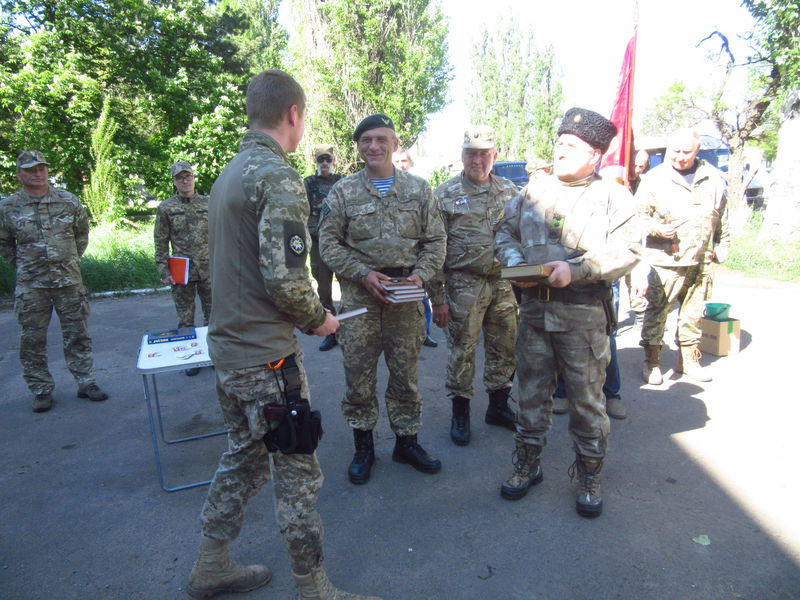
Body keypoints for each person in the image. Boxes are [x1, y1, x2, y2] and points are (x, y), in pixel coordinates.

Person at [187, 70, 379, 600]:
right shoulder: (276, 176)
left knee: (244, 457)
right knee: (298, 474)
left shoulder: (230, 173)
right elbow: (287, 279)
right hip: (267, 359)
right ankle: (312, 586)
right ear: (294, 113)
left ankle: (210, 564)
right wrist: (321, 320)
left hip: (229, 348)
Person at [494, 108, 641, 518]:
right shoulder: (532, 192)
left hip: (583, 318)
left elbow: (628, 249)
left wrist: (575, 270)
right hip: (535, 314)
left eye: (571, 145)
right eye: (559, 142)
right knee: (530, 396)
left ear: (595, 154)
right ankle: (528, 464)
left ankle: (590, 475)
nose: (560, 150)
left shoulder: (613, 196)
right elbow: (504, 231)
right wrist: (514, 263)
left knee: (586, 403)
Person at [319, 114, 446, 485]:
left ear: (394, 143)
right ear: (358, 147)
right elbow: (327, 243)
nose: (373, 147)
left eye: (381, 140)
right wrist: (362, 273)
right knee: (358, 376)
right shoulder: (343, 192)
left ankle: (407, 442)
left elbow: (436, 241)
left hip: (405, 297)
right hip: (361, 299)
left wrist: (421, 275)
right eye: (366, 141)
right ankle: (364, 447)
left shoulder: (420, 190)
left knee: (405, 375)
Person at [428, 125, 519, 446]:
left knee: (504, 346)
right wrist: (436, 298)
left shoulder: (510, 192)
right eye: (471, 153)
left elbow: (524, 238)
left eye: (484, 154)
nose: (477, 160)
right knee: (462, 350)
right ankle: (460, 414)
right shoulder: (444, 195)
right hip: (462, 285)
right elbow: (433, 249)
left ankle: (498, 406)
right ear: (462, 155)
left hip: (504, 285)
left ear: (495, 156)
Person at [0, 150, 108, 413]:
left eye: (42, 168)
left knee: (78, 335)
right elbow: (4, 243)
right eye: (31, 170)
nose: (38, 174)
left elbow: (81, 235)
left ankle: (86, 381)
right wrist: (26, 266)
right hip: (32, 286)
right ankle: (41, 390)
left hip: (69, 282)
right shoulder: (8, 206)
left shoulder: (68, 201)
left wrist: (68, 260)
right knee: (32, 340)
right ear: (20, 174)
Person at [637, 128, 729, 385]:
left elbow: (722, 215)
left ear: (697, 150)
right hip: (667, 260)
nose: (679, 157)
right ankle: (652, 362)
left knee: (693, 313)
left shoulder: (713, 177)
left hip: (701, 258)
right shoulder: (654, 179)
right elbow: (635, 219)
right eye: (674, 151)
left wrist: (723, 244)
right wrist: (655, 228)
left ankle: (689, 360)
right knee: (657, 313)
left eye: (685, 152)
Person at [154, 161, 212, 376]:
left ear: (194, 178)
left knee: (212, 316)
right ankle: (190, 357)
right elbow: (160, 241)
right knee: (186, 318)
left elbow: (220, 235)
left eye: (188, 176)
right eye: (180, 178)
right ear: (174, 182)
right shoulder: (167, 208)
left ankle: (210, 353)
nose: (185, 180)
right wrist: (164, 270)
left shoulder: (208, 203)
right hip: (182, 269)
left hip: (208, 267)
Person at [392, 147, 438, 348]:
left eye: (404, 161)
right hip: (393, 265)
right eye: (397, 161)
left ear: (410, 163)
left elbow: (433, 233)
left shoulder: (420, 189)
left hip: (418, 264)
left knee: (422, 300)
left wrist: (423, 268)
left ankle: (425, 333)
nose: (401, 164)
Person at [304, 144, 343, 352]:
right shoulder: (308, 183)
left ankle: (351, 329)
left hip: (341, 241)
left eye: (328, 159)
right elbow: (301, 211)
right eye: (321, 160)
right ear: (316, 161)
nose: (325, 163)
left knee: (350, 285)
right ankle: (331, 332)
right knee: (324, 289)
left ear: (333, 161)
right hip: (318, 242)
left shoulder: (341, 182)